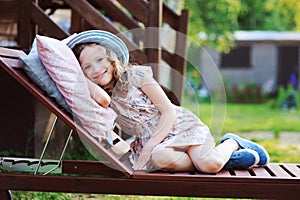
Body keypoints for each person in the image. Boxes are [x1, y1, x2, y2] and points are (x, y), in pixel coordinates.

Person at [67, 30, 270, 172]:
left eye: (100, 60)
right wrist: (81, 78)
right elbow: (101, 99)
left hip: (178, 126)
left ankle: (232, 143)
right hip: (157, 145)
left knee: (209, 165)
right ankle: (211, 160)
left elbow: (169, 111)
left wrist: (147, 149)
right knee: (160, 157)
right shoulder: (102, 97)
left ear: (110, 58)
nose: (96, 69)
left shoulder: (136, 75)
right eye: (87, 67)